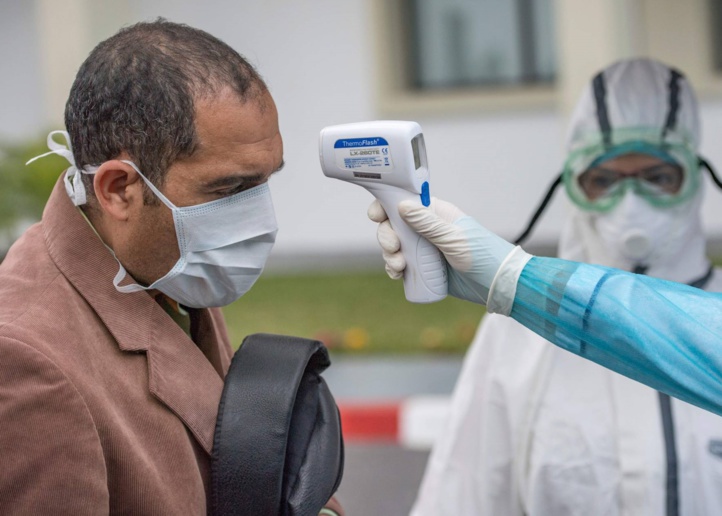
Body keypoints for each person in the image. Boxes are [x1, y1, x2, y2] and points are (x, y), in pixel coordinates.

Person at [0, 20, 343, 515]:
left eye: (265, 183)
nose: (259, 219)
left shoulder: (163, 266)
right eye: (228, 191)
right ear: (118, 189)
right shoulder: (26, 361)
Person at [369, 55, 722, 473]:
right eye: (604, 180)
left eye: (659, 177)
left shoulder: (520, 305)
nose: (631, 203)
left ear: (694, 179)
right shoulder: (515, 335)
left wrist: (515, 280)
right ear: (572, 184)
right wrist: (517, 288)